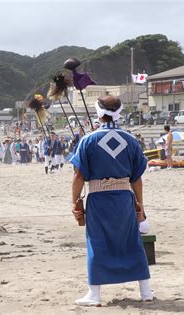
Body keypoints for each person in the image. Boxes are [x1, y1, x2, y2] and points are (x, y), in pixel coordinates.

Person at [70, 96, 153, 306]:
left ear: (99, 113)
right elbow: (137, 177)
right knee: (132, 241)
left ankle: (94, 295)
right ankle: (146, 291)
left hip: (98, 198)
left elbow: (78, 176)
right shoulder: (131, 140)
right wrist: (140, 205)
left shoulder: (88, 140)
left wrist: (74, 202)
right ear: (120, 112)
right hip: (125, 198)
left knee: (97, 243)